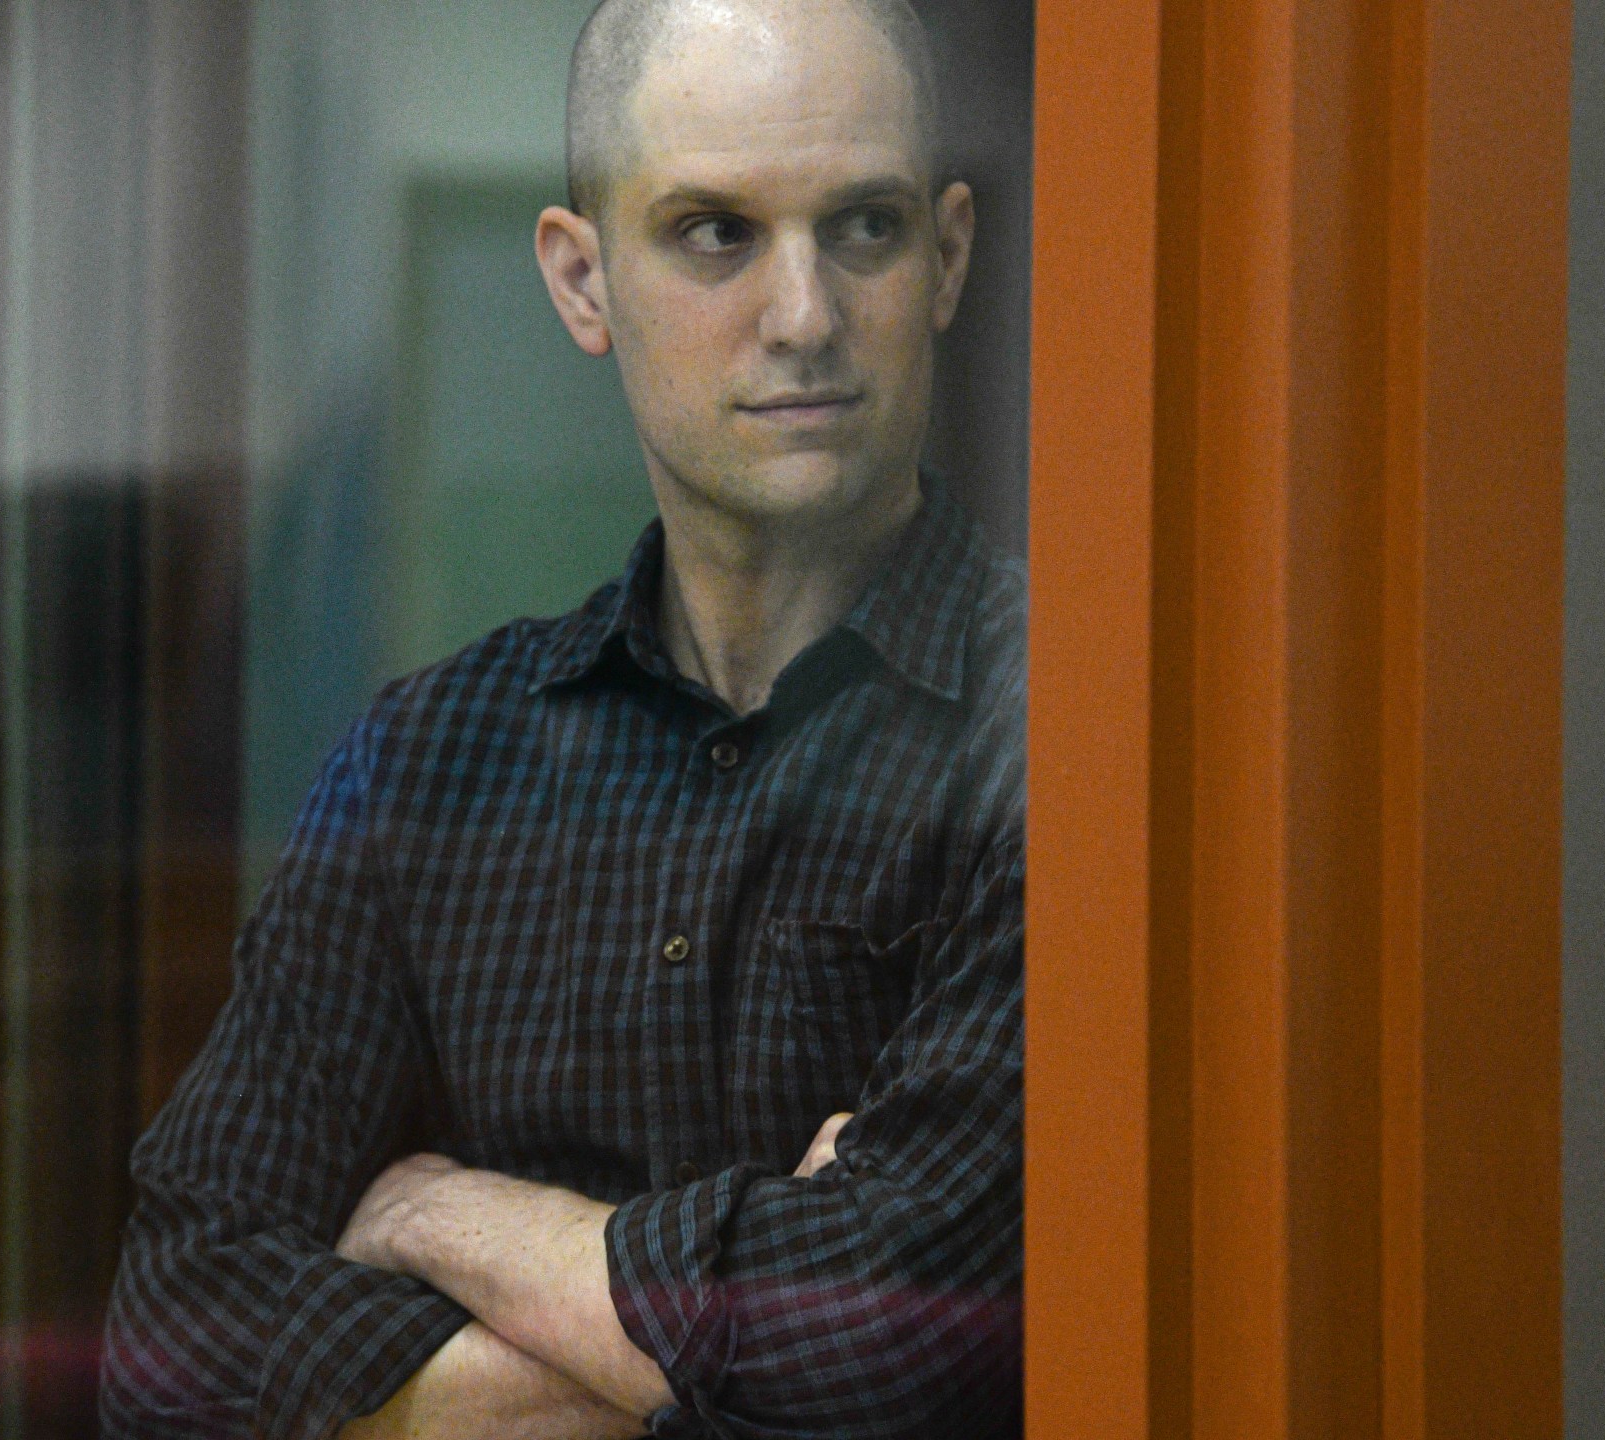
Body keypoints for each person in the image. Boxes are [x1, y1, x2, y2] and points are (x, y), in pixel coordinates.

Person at [101, 1, 1021, 1435]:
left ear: (949, 254)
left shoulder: (1073, 731)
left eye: (864, 227)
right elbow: (173, 1344)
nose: (804, 314)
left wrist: (434, 1217)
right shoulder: (431, 763)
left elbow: (880, 1364)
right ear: (582, 281)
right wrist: (716, 1331)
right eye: (716, 231)